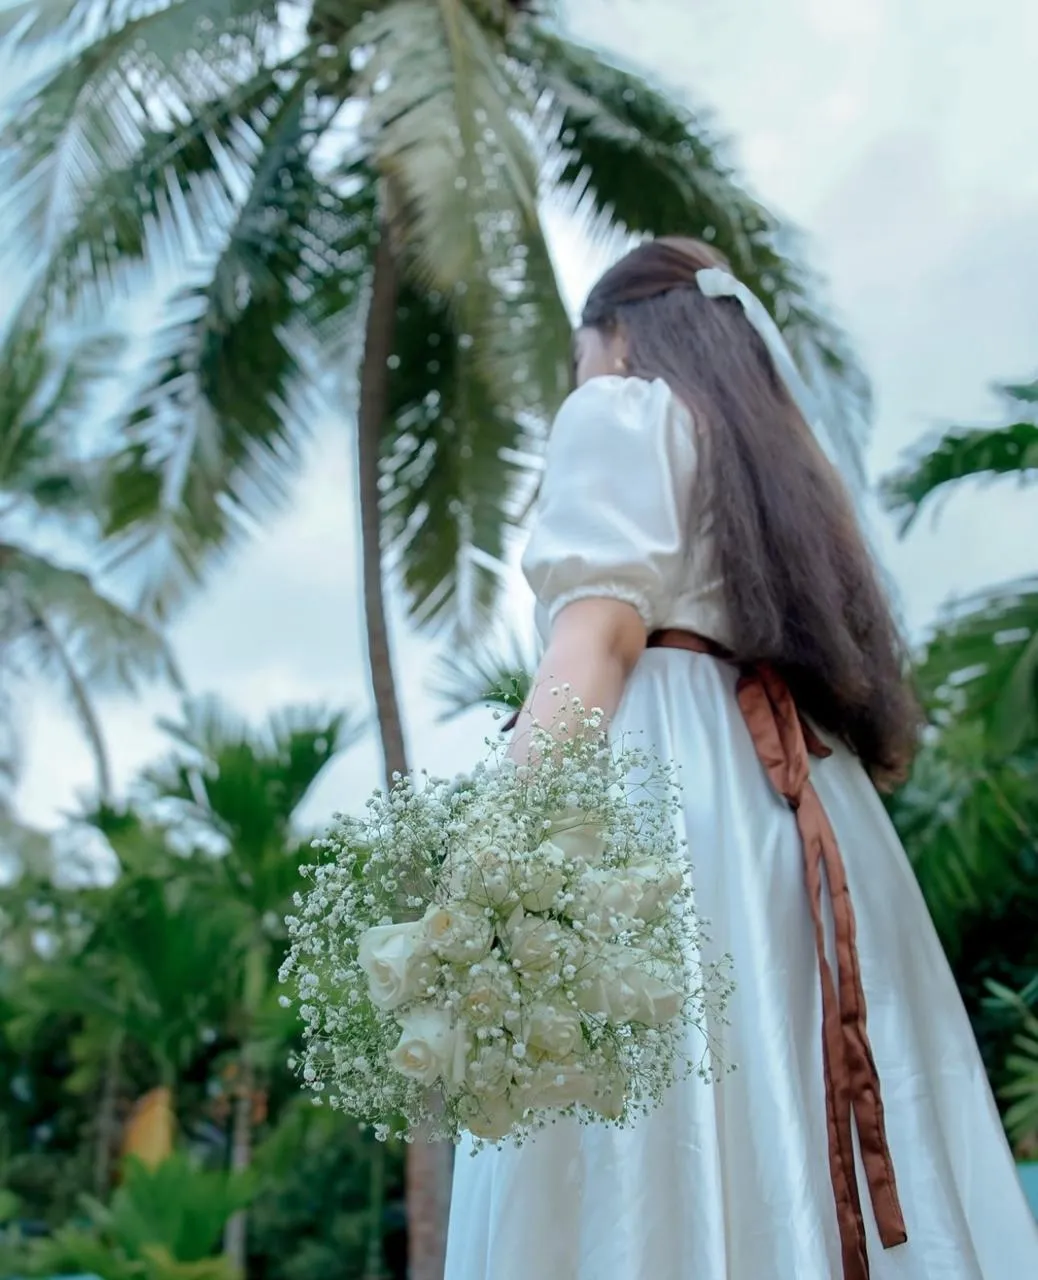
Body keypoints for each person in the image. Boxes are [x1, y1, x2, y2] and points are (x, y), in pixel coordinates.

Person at [443, 237, 1038, 1279]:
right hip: (805, 823)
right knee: (801, 1127)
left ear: (616, 333)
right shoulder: (779, 468)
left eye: (581, 356)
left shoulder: (620, 407)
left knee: (643, 1145)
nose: (580, 381)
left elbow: (598, 636)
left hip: (670, 809)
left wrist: (492, 848)